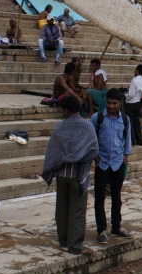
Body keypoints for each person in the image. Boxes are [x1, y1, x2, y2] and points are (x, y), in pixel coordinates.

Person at [41, 95, 97, 255]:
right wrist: (81, 158)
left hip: (61, 173)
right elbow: (93, 149)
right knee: (77, 210)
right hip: (78, 174)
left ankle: (63, 239)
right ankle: (75, 244)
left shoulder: (60, 127)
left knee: (62, 207)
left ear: (65, 110)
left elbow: (53, 151)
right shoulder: (87, 127)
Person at [91, 89, 133, 243]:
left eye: (114, 103)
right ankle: (101, 229)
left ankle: (116, 226)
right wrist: (96, 158)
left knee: (116, 196)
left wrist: (125, 157)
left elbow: (127, 139)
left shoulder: (126, 119)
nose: (111, 106)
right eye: (109, 103)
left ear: (120, 103)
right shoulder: (98, 118)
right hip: (102, 162)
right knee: (99, 197)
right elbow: (92, 139)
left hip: (118, 162)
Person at [125, 65, 142, 147]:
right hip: (138, 102)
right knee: (137, 122)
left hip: (131, 103)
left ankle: (133, 141)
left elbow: (131, 94)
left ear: (137, 70)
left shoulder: (134, 80)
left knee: (130, 122)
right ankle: (140, 141)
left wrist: (125, 95)